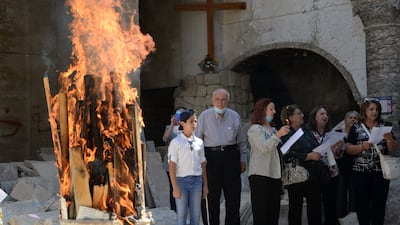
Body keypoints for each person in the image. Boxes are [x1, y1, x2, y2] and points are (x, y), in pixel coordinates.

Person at [195, 88, 248, 225]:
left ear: (228, 101)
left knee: (233, 197)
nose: (220, 102)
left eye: (223, 99)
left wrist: (243, 159)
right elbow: (197, 141)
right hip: (211, 158)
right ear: (213, 101)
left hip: (231, 157)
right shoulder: (204, 116)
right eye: (217, 99)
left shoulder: (234, 116)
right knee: (211, 197)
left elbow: (241, 141)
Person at [345, 98, 398, 225]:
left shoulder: (385, 126)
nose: (375, 112)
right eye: (371, 109)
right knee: (362, 206)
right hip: (360, 173)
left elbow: (393, 149)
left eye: (377, 109)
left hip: (380, 173)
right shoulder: (356, 127)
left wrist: (390, 140)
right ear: (365, 110)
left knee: (379, 205)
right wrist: (361, 147)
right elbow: (348, 148)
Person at [247, 98, 290, 225]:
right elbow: (263, 147)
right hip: (260, 175)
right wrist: (278, 136)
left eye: (274, 109)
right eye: (271, 109)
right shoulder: (255, 129)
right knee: (261, 215)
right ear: (262, 111)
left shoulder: (274, 130)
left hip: (274, 175)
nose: (274, 112)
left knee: (273, 214)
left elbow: (278, 151)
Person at [279, 104, 323, 225]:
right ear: (291, 117)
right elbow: (285, 153)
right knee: (295, 208)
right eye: (299, 113)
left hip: (312, 174)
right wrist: (308, 156)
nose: (302, 115)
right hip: (296, 175)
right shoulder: (285, 133)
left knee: (315, 208)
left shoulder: (306, 131)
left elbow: (315, 146)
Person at [168, 109, 208, 225]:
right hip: (181, 182)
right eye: (191, 121)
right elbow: (172, 167)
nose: (194, 124)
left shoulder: (199, 142)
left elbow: (203, 165)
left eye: (195, 121)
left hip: (197, 181)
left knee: (196, 214)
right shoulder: (176, 143)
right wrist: (175, 187)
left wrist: (205, 185)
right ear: (182, 123)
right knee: (182, 214)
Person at [307, 105, 344, 225]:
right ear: (314, 117)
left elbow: (338, 155)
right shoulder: (307, 134)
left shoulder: (332, 133)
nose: (325, 116)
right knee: (315, 206)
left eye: (326, 114)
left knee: (331, 204)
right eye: (322, 114)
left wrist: (338, 148)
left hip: (332, 172)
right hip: (315, 174)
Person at [162, 106, 186, 211]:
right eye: (178, 114)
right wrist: (172, 124)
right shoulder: (169, 127)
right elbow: (164, 138)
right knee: (173, 188)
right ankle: (174, 211)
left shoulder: (188, 127)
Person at [335, 110, 358, 218]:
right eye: (350, 117)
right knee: (341, 198)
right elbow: (335, 154)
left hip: (355, 169)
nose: (353, 119)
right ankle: (341, 220)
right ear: (345, 120)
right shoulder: (338, 133)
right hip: (341, 169)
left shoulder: (359, 133)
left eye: (355, 118)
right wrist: (339, 146)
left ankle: (353, 220)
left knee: (355, 198)